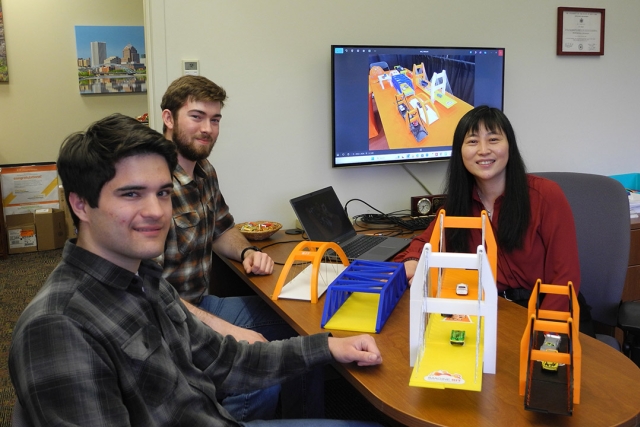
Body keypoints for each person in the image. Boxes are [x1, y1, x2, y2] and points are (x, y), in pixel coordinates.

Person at [9, 114, 383, 427]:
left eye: (163, 192)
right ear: (80, 205)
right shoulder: (58, 326)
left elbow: (226, 361)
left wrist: (329, 347)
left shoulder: (146, 279)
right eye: (131, 194)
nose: (157, 211)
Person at [157, 75, 322, 419]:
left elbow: (222, 229)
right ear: (168, 119)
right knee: (258, 367)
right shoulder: (154, 185)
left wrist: (247, 252)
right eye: (197, 116)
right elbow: (149, 292)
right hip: (167, 322)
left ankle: (305, 420)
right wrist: (227, 330)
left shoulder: (204, 170)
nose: (208, 129)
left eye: (215, 119)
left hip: (203, 302)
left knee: (306, 329)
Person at [395, 106, 592, 325]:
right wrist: (413, 261)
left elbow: (565, 277)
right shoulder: (458, 204)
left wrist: (544, 331)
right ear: (460, 152)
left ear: (509, 146)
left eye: (493, 139)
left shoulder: (546, 196)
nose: (483, 150)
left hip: (547, 310)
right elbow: (424, 242)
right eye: (472, 142)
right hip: (490, 312)